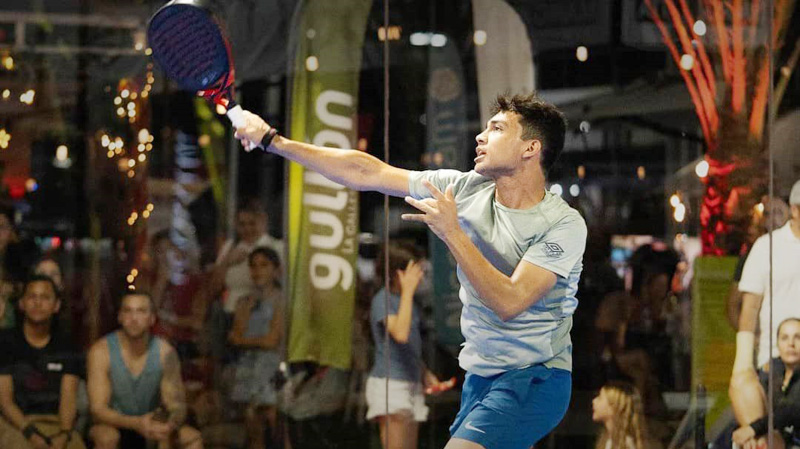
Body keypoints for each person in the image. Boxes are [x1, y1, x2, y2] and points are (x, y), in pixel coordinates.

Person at [234, 92, 587, 449]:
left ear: (530, 148)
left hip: (536, 377)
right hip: (480, 377)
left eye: (496, 129)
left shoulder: (562, 224)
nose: (480, 136)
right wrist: (273, 141)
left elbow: (510, 301)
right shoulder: (465, 188)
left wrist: (452, 232)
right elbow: (369, 171)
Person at [86, 291, 203, 449]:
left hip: (150, 423)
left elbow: (176, 404)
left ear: (152, 319)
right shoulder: (101, 351)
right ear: (120, 317)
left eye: (141, 311)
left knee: (192, 438)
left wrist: (168, 425)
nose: (134, 318)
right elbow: (98, 410)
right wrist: (136, 423)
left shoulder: (165, 352)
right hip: (113, 424)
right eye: (128, 311)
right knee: (107, 437)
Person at [730, 180, 800, 427]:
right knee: (774, 426)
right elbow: (749, 306)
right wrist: (743, 361)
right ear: (795, 210)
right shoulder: (767, 247)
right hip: (773, 357)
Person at [366, 245, 444, 449]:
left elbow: (409, 345)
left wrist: (424, 373)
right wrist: (408, 292)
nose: (420, 277)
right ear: (398, 274)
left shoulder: (407, 301)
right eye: (416, 271)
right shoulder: (383, 300)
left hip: (410, 382)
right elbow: (400, 334)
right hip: (391, 384)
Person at [0, 275, 86, 449]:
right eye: (32, 296)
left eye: (45, 297)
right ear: (22, 303)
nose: (38, 303)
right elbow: (5, 401)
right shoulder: (5, 342)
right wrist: (30, 433)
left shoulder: (67, 346)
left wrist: (64, 434)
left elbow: (68, 399)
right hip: (15, 423)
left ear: (56, 305)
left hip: (56, 422)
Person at [228, 247, 284, 449]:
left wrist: (244, 339)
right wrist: (248, 337)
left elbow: (271, 341)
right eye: (253, 266)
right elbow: (234, 336)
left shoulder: (281, 300)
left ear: (275, 269)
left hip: (272, 370)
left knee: (275, 428)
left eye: (264, 265)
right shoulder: (245, 301)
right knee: (253, 429)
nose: (258, 271)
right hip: (248, 368)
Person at [732, 318, 800, 449]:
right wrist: (748, 433)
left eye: (798, 337)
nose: (791, 344)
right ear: (777, 344)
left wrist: (753, 429)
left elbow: (791, 411)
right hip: (771, 439)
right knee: (741, 381)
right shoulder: (770, 371)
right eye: (784, 338)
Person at [592, 382, 647, 449]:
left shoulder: (626, 444)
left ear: (614, 407)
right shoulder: (608, 441)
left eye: (600, 398)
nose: (594, 401)